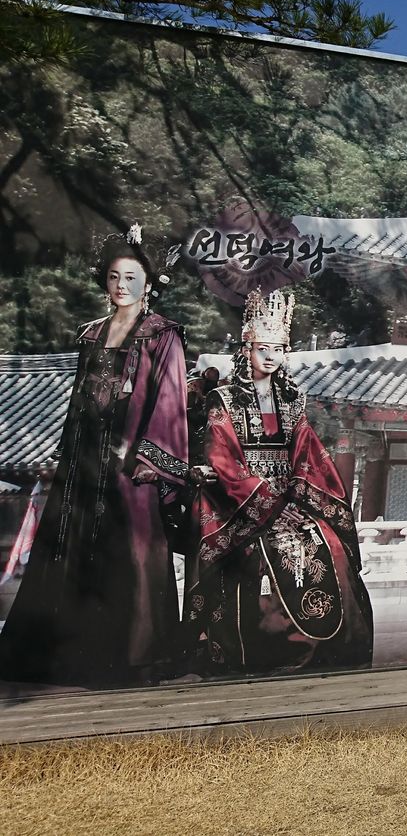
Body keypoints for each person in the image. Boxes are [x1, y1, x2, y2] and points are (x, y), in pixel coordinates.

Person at [0, 227, 188, 686]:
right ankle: (63, 654)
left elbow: (169, 399)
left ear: (149, 283)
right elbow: (78, 399)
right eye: (114, 277)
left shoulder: (163, 335)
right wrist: (67, 453)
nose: (121, 285)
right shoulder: (91, 334)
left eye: (131, 277)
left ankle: (130, 656)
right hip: (85, 456)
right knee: (70, 540)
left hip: (130, 458)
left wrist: (145, 456)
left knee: (130, 546)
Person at [184, 288, 373, 674]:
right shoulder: (224, 399)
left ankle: (333, 646)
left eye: (278, 349)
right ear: (247, 350)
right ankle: (265, 649)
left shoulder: (292, 400)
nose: (270, 356)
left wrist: (295, 497)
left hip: (289, 497)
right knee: (261, 555)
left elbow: (308, 455)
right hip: (237, 501)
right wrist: (267, 503)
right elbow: (223, 458)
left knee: (330, 545)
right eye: (262, 348)